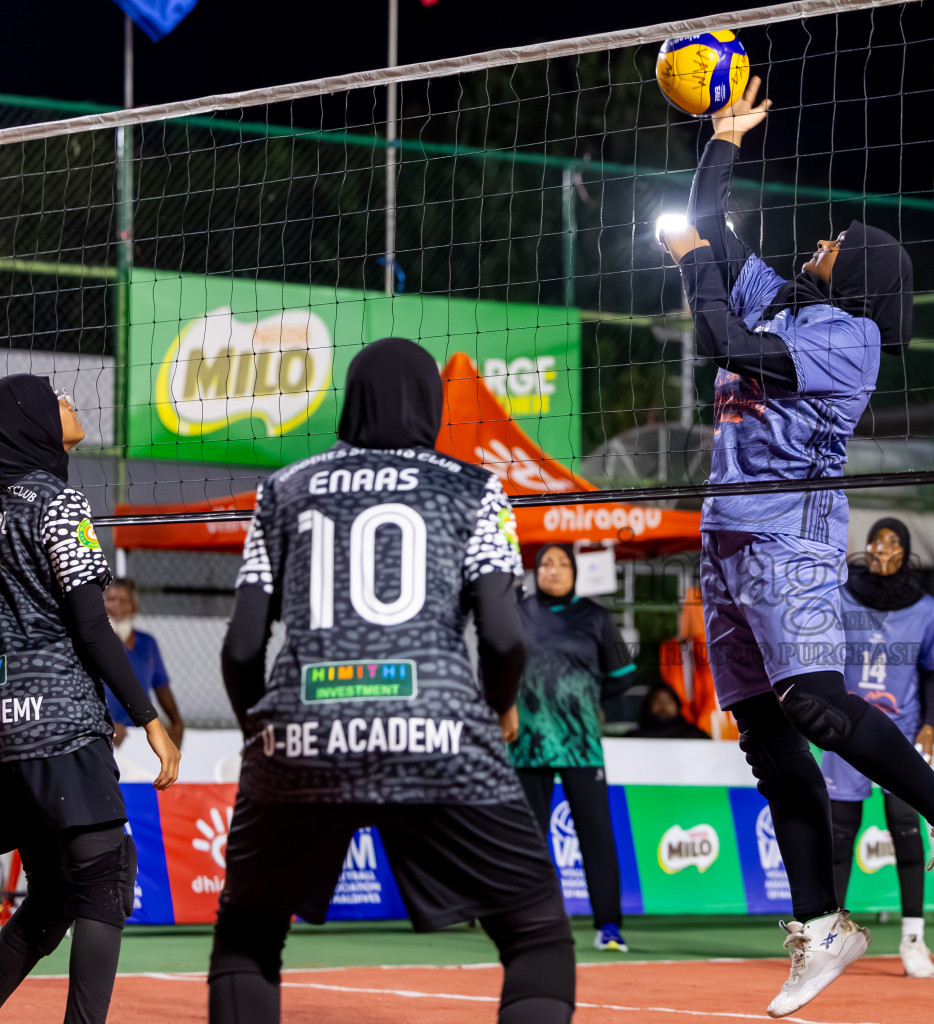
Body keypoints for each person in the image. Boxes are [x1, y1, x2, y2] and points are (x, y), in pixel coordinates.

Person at [658, 76, 934, 1017]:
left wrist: (693, 263)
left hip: (792, 541)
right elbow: (706, 217)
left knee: (813, 705)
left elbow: (733, 349)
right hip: (727, 537)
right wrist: (722, 137)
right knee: (767, 746)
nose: (820, 244)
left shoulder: (850, 337)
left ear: (858, 273)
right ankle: (823, 927)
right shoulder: (782, 297)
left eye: (835, 245)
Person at [210, 338, 574, 1024]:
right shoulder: (475, 486)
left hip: (301, 729)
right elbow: (503, 635)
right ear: (431, 404)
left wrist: (261, 733)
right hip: (437, 728)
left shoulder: (283, 488)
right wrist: (500, 710)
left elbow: (240, 647)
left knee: (248, 932)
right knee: (535, 934)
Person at [0, 376, 179, 1024]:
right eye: (55, 396)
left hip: (5, 734)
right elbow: (90, 622)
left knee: (50, 894)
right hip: (60, 723)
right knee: (107, 877)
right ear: (29, 419)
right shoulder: (56, 501)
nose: (70, 400)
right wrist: (149, 719)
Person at [824, 517, 934, 980]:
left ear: (905, 553)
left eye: (893, 543)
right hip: (845, 729)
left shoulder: (926, 609)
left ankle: (913, 938)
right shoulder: (842, 596)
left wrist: (931, 725)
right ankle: (831, 941)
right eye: (876, 541)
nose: (882, 549)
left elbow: (933, 673)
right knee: (838, 835)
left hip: (900, 732)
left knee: (906, 829)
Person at [511, 542, 638, 953]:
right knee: (527, 837)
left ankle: (609, 927)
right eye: (545, 563)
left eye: (562, 562)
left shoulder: (596, 616)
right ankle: (525, 923)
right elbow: (494, 666)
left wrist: (588, 693)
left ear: (575, 570)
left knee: (596, 835)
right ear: (536, 570)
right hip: (526, 742)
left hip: (581, 743)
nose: (553, 570)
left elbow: (624, 672)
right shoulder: (516, 611)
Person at [103, 578, 186, 750]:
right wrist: (106, 724)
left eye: (124, 600)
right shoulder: (92, 642)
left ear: (134, 607)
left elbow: (161, 685)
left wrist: (177, 722)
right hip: (102, 735)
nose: (117, 605)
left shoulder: (147, 644)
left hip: (140, 737)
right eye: (111, 599)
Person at [632, 684, 709, 740]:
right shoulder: (634, 739)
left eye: (668, 701)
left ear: (677, 706)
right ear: (648, 706)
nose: (663, 705)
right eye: (657, 701)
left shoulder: (696, 737)